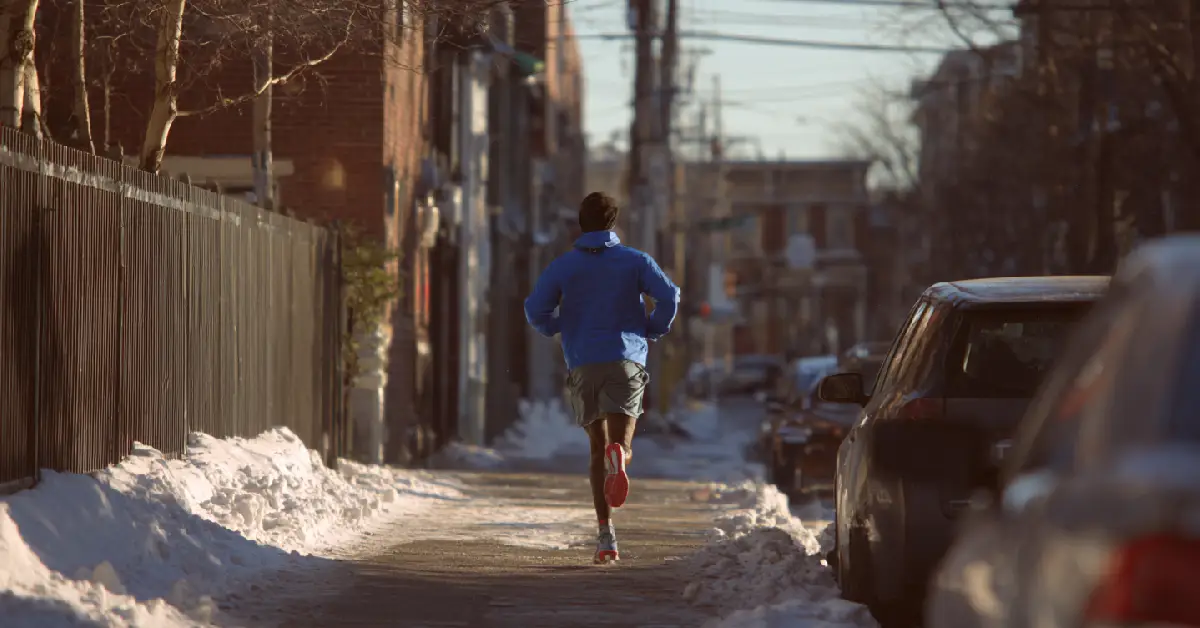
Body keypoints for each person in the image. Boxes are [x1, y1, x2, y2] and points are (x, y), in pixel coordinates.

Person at [523, 191, 681, 564]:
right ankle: (621, 452)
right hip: (626, 359)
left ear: (581, 224)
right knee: (621, 440)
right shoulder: (636, 261)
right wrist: (651, 329)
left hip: (584, 362)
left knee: (596, 450)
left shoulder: (563, 266)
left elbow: (534, 308)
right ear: (613, 223)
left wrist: (557, 326)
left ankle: (606, 537)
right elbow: (669, 297)